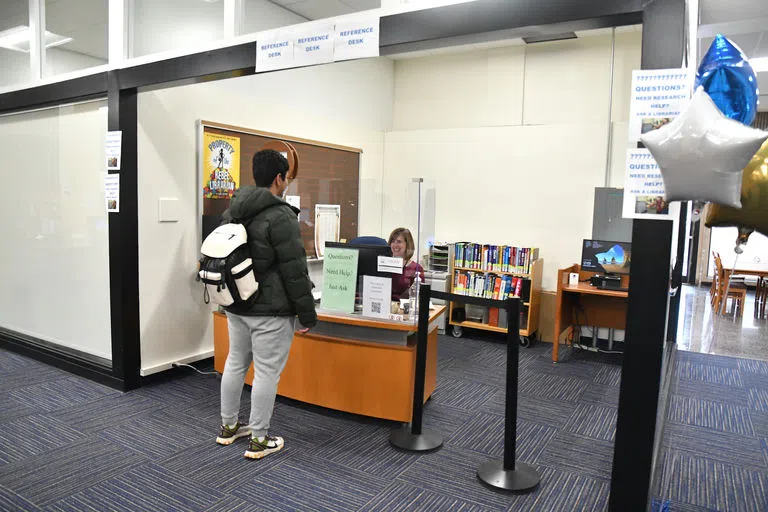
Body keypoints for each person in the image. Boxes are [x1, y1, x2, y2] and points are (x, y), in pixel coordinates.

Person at [216, 149, 317, 459]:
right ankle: (259, 439)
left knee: (235, 363)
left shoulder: (234, 209)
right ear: (279, 178)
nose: (286, 182)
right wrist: (307, 315)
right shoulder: (281, 215)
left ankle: (229, 427)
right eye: (286, 177)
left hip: (237, 305)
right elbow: (295, 270)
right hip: (271, 312)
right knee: (266, 373)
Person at [388, 227, 425, 301]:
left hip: (404, 308)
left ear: (407, 244)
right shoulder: (384, 265)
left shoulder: (416, 268)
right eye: (393, 241)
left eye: (399, 241)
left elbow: (421, 296)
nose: (395, 245)